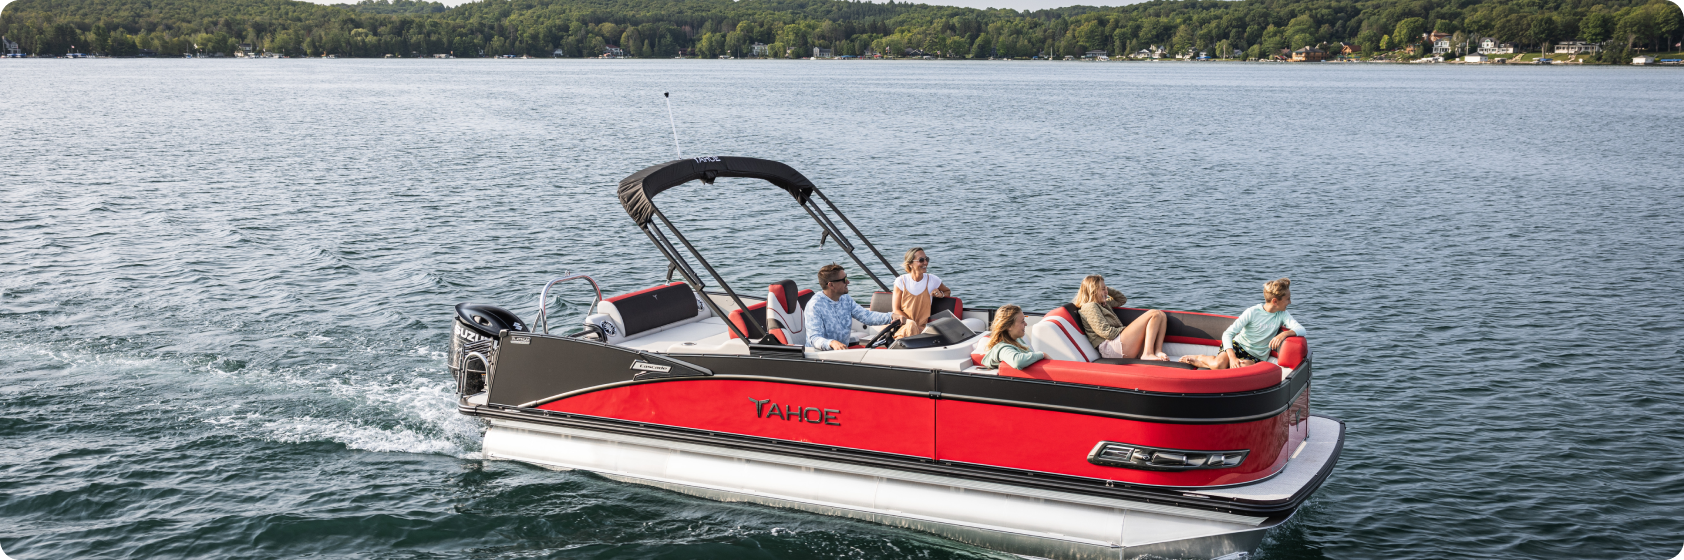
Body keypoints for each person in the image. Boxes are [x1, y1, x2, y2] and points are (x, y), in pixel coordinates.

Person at [1181, 278, 1306, 370]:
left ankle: (1216, 364)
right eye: (1287, 299)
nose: (1290, 302)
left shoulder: (1282, 315)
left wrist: (1284, 334)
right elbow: (1227, 334)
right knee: (1218, 365)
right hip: (1237, 346)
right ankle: (1202, 358)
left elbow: (1301, 330)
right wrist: (1232, 357)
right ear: (1275, 301)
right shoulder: (1252, 312)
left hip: (1255, 356)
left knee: (1242, 368)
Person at [804, 263, 905, 351]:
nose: (848, 282)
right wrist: (832, 343)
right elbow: (814, 338)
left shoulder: (845, 299)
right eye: (844, 280)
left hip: (842, 352)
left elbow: (867, 316)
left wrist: (891, 317)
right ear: (831, 285)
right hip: (820, 356)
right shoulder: (815, 305)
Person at [1073, 275, 1169, 361]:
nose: (1106, 291)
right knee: (1154, 313)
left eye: (1105, 288)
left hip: (1117, 343)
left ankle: (1157, 351)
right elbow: (1107, 333)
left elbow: (1121, 299)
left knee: (1161, 315)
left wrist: (1106, 290)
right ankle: (1147, 354)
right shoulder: (1089, 306)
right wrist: (1126, 329)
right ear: (1093, 290)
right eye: (1102, 289)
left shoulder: (1103, 304)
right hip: (1110, 347)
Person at [890, 247, 952, 339]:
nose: (925, 263)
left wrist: (941, 294)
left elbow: (947, 291)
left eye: (926, 259)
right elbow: (896, 310)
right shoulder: (901, 281)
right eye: (921, 260)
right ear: (910, 263)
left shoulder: (932, 280)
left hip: (923, 327)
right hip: (902, 325)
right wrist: (912, 324)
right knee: (910, 326)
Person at [980, 304, 1045, 370]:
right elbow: (1017, 362)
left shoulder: (1017, 339)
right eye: (1022, 322)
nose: (1026, 324)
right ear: (1009, 326)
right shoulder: (1003, 348)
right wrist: (1042, 354)